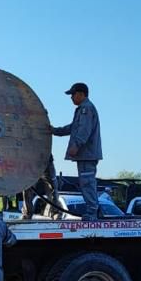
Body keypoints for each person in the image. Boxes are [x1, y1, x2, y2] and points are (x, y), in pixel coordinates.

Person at [52, 82, 103, 221]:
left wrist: (77, 145)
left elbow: (84, 130)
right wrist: (55, 131)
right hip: (86, 155)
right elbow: (73, 127)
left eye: (73, 94)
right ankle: (93, 210)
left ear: (81, 94)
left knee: (87, 182)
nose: (71, 98)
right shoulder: (83, 109)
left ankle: (92, 212)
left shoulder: (86, 109)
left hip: (87, 155)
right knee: (86, 182)